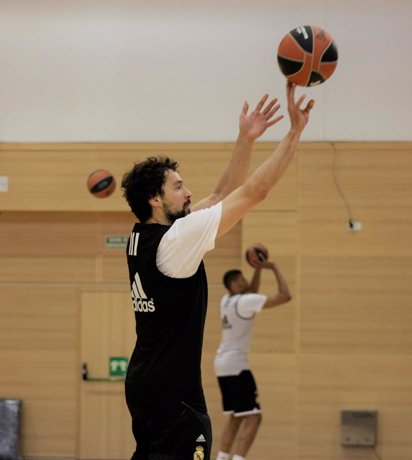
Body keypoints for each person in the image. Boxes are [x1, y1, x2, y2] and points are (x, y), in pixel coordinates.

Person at [120, 82, 314, 460]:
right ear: (155, 199)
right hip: (175, 395)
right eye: (178, 187)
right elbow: (253, 193)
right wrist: (294, 133)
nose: (189, 192)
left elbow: (221, 195)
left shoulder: (143, 235)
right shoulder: (177, 239)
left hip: (145, 383)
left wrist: (245, 139)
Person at [214, 260, 291, 460]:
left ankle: (222, 457)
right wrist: (273, 268)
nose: (245, 281)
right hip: (236, 365)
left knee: (236, 416)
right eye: (241, 280)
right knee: (254, 417)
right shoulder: (245, 301)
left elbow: (251, 292)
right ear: (233, 285)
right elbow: (285, 296)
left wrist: (257, 268)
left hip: (222, 364)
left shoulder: (226, 300)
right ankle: (238, 458)